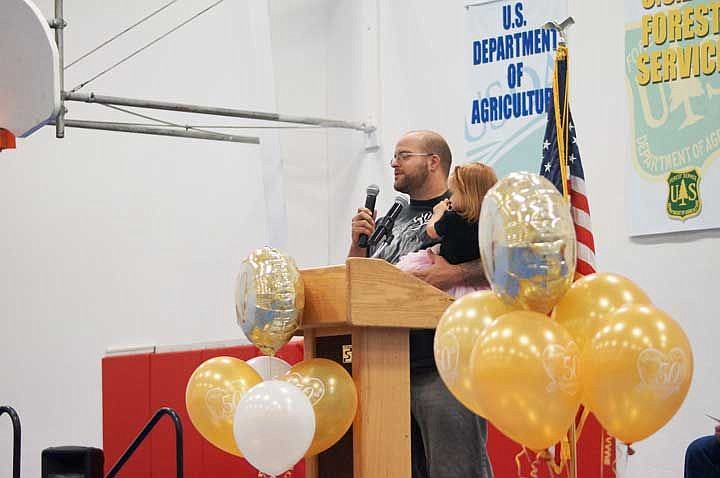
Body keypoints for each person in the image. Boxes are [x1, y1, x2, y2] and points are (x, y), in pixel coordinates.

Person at [349, 130, 492, 478]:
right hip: (388, 367)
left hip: (443, 367)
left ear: (433, 162)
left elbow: (502, 263)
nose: (394, 162)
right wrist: (357, 244)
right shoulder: (390, 217)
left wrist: (455, 273)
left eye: (403, 155)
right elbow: (360, 280)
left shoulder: (466, 205)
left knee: (456, 471)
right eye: (394, 156)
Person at [395, 162, 497, 298]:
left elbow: (432, 231)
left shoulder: (453, 218)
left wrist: (438, 212)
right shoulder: (490, 223)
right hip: (476, 290)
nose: (450, 198)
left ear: (467, 195)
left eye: (454, 193)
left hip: (450, 282)